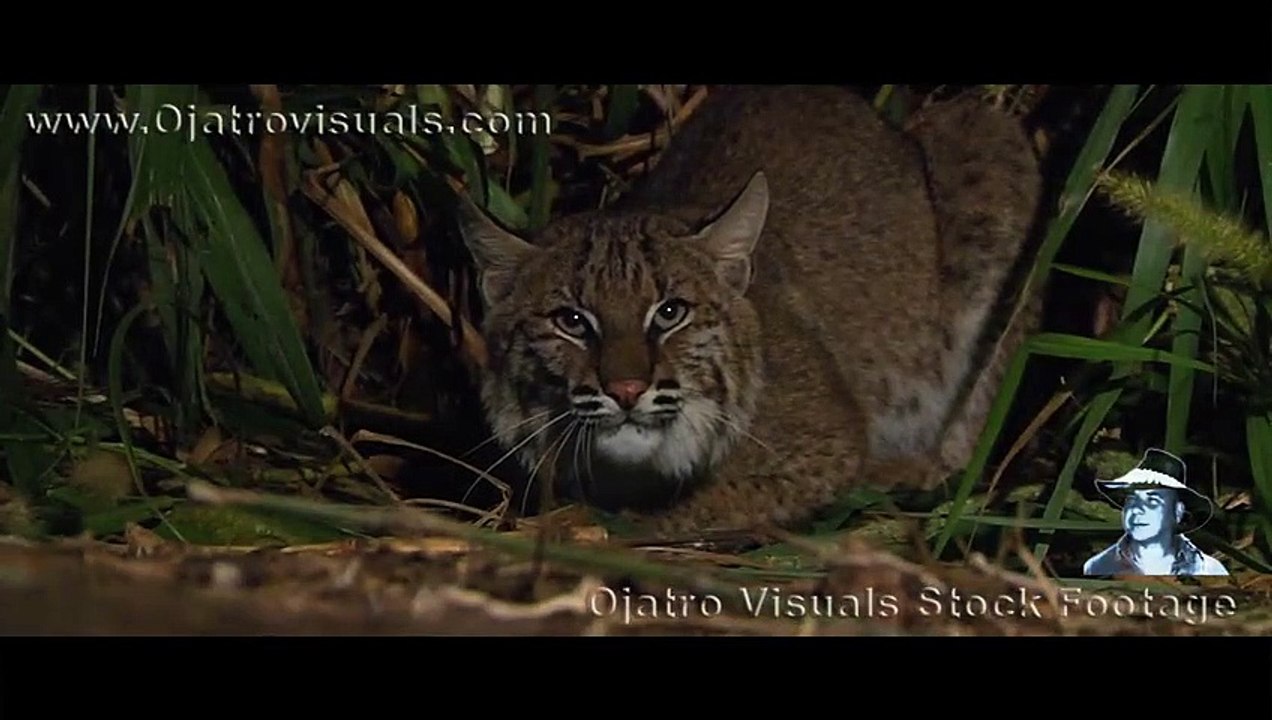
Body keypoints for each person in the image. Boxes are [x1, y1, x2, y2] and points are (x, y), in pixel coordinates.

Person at [1082, 448, 1229, 577]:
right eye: (1132, 500)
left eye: (1152, 501)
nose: (1137, 509)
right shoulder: (1096, 567)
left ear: (1178, 512)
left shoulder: (1208, 570)